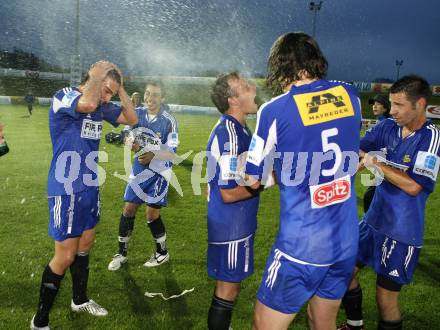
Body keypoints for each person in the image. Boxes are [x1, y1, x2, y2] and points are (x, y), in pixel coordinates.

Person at [244, 32, 362, 329]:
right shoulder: (349, 94)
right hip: (346, 241)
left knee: (263, 324)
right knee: (322, 322)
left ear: (281, 65)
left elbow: (252, 180)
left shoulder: (274, 109)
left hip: (303, 245)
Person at [30, 61, 138, 330]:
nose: (107, 97)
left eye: (111, 93)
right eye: (106, 91)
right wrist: (98, 76)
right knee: (64, 257)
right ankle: (40, 320)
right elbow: (88, 104)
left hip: (89, 186)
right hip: (66, 188)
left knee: (85, 245)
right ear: (93, 79)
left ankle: (79, 299)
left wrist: (120, 88)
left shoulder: (102, 105)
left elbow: (133, 119)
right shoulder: (65, 95)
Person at [338, 75, 439, 330]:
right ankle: (354, 325)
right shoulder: (387, 128)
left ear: (420, 104)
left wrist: (375, 162)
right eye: (391, 104)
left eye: (399, 105)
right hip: (372, 222)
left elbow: (414, 186)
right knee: (343, 273)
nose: (392, 110)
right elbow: (357, 149)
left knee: (385, 299)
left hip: (401, 232)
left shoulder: (430, 138)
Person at [206, 72, 260, 330]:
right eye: (245, 86)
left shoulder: (240, 128)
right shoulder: (229, 135)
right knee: (227, 291)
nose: (253, 87)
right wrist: (267, 181)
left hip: (236, 222)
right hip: (231, 225)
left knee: (229, 288)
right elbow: (228, 193)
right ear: (233, 100)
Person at [108, 81, 178, 271]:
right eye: (148, 94)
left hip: (159, 172)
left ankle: (162, 253)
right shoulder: (137, 113)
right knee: (128, 209)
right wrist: (123, 139)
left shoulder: (169, 120)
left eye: (155, 95)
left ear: (162, 98)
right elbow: (126, 134)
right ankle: (121, 253)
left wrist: (154, 154)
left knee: (151, 214)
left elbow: (172, 151)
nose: (150, 98)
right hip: (139, 170)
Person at [363, 94, 391, 212]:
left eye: (378, 104)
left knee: (370, 198)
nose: (374, 106)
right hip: (381, 166)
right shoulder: (382, 122)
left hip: (386, 166)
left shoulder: (387, 123)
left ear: (385, 107)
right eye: (373, 104)